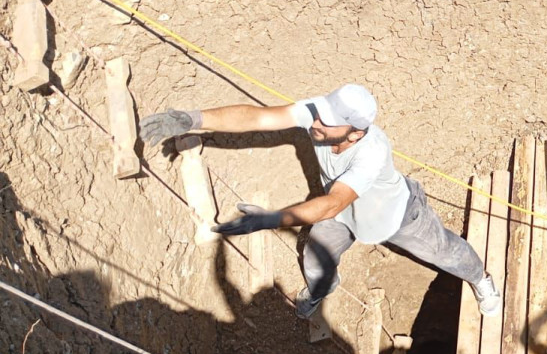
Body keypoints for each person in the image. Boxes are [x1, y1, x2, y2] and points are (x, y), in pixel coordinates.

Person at [139, 84, 501, 318]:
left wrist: (271, 219)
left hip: (396, 216)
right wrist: (193, 119)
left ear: (355, 132)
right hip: (343, 215)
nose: (316, 126)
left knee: (446, 253)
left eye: (327, 125)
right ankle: (324, 287)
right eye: (319, 117)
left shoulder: (370, 152)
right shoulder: (316, 114)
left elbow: (331, 205)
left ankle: (482, 280)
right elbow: (259, 116)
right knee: (314, 260)